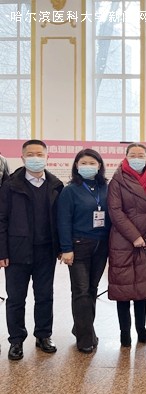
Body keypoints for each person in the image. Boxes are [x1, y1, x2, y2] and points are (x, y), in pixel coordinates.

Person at [0, 140, 63, 361]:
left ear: (47, 158)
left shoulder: (56, 185)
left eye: (40, 154)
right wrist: (2, 251)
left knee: (45, 296)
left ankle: (43, 335)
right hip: (17, 251)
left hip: (46, 251)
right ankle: (16, 340)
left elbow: (61, 220)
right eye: (30, 154)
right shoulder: (10, 185)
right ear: (23, 157)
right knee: (16, 298)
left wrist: (61, 247)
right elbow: (1, 219)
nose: (35, 158)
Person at [107, 143, 146, 347]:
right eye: (133, 155)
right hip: (123, 241)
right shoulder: (117, 180)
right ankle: (124, 332)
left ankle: (141, 328)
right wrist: (134, 236)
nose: (136, 158)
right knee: (123, 289)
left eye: (140, 155)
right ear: (126, 156)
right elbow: (115, 211)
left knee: (141, 288)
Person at [58, 148, 110, 353]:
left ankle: (82, 328)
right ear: (76, 166)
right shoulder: (70, 190)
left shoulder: (105, 187)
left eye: (92, 163)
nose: (88, 166)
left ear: (99, 166)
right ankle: (85, 338)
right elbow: (63, 221)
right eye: (84, 163)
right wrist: (66, 248)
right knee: (80, 290)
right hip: (79, 245)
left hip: (101, 245)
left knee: (92, 289)